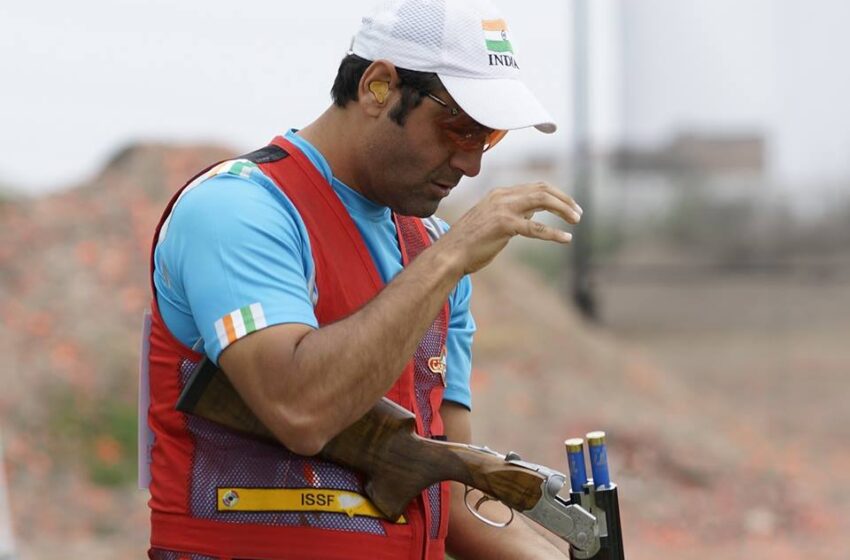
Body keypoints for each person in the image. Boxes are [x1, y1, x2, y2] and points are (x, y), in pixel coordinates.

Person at [142, 0, 583, 558]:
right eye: (460, 128)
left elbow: (449, 493)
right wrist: (449, 260)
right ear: (378, 87)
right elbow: (300, 411)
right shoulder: (238, 208)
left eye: (488, 137)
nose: (472, 165)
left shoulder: (432, 249)